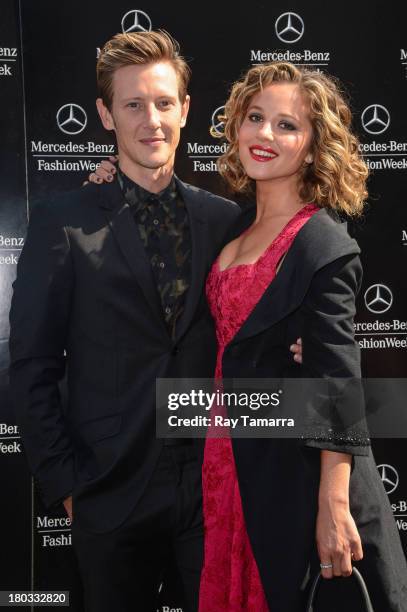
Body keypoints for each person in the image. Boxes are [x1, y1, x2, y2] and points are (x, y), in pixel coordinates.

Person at [8, 30, 302, 612]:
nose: (152, 121)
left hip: (211, 494)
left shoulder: (225, 220)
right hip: (109, 495)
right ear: (105, 114)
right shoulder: (61, 223)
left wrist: (297, 348)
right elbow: (32, 365)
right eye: (133, 105)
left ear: (186, 109)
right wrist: (69, 488)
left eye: (164, 103)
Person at [195, 61, 407, 612]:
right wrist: (108, 172)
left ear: (313, 148)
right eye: (255, 117)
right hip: (227, 460)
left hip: (290, 471)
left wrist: (332, 507)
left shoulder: (322, 243)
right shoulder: (232, 226)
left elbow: (338, 382)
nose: (264, 134)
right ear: (235, 125)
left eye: (287, 126)